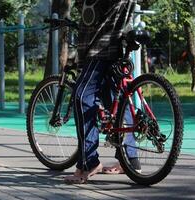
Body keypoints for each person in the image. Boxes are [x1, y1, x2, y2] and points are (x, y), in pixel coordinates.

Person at [64, 0, 140, 184]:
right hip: (113, 47)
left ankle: (88, 163)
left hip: (101, 49)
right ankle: (129, 159)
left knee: (81, 96)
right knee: (117, 98)